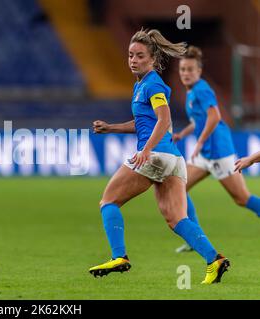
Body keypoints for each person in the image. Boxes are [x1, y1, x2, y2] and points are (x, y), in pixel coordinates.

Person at [89, 29, 229, 284]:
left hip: (155, 155)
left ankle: (119, 256)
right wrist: (111, 127)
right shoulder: (141, 85)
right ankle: (214, 260)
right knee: (177, 219)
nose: (133, 60)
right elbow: (145, 122)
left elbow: (164, 119)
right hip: (173, 160)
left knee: (108, 201)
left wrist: (146, 150)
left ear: (152, 59)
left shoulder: (153, 84)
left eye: (140, 56)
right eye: (130, 55)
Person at [174, 46, 260, 253]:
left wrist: (200, 142)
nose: (185, 73)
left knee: (242, 198)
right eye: (183, 69)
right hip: (204, 154)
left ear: (199, 71)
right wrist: (182, 134)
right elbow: (199, 120)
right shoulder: (191, 92)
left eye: (190, 69)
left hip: (219, 152)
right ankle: (194, 238)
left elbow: (215, 117)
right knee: (178, 187)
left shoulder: (202, 89)